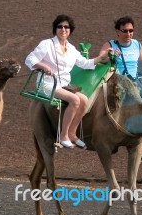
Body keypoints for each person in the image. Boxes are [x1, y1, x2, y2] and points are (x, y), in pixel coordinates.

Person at [25, 14, 109, 149]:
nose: (63, 29)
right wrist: (43, 66)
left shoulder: (71, 48)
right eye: (60, 26)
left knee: (84, 100)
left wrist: (101, 58)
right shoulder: (46, 44)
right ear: (55, 29)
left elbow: (85, 63)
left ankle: (72, 134)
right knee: (74, 100)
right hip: (48, 83)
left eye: (66, 27)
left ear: (70, 30)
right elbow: (30, 59)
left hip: (64, 85)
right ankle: (63, 136)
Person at [98, 16, 142, 155]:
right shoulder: (110, 45)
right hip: (118, 83)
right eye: (125, 31)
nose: (128, 34)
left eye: (131, 30)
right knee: (136, 107)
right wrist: (109, 55)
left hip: (135, 82)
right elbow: (100, 60)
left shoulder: (137, 45)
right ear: (117, 31)